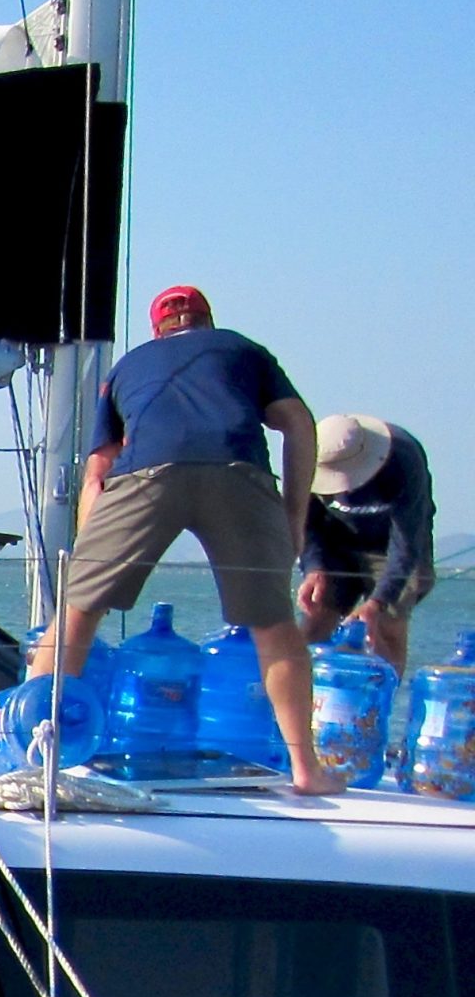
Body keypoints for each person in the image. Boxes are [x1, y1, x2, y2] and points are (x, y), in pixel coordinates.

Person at [28, 284, 340, 792]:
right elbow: (298, 424)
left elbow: (98, 470)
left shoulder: (127, 367)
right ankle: (307, 771)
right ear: (207, 321)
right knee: (273, 626)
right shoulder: (242, 349)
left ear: (158, 331)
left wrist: (91, 555)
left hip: (144, 474)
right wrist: (294, 516)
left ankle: (31, 754)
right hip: (237, 470)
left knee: (77, 614)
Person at [300, 413, 435, 670]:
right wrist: (314, 568)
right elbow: (306, 526)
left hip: (392, 545)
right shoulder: (305, 458)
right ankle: (304, 691)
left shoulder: (403, 459)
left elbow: (406, 542)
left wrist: (378, 602)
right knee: (315, 620)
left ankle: (381, 691)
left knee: (387, 624)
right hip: (335, 542)